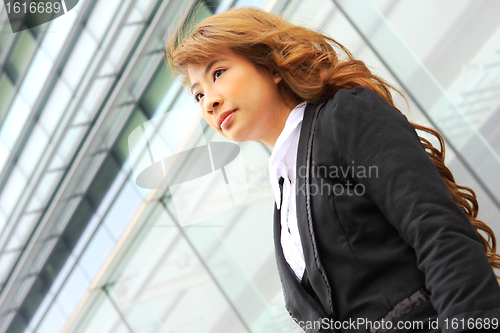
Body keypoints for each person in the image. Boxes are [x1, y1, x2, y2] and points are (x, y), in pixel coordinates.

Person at [167, 6, 500, 333]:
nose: (208, 101)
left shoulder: (344, 116)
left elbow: (436, 230)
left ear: (269, 66)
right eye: (197, 95)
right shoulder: (284, 199)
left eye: (218, 73)